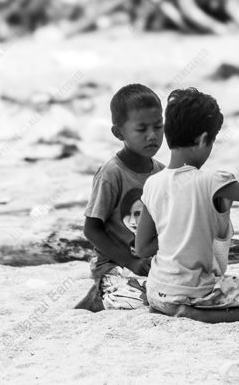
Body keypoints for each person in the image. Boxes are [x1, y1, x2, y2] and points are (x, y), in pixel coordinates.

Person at [135, 88, 239, 323]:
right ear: (202, 140)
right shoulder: (213, 181)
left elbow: (142, 249)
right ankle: (198, 314)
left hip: (157, 291)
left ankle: (178, 308)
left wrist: (177, 231)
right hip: (196, 292)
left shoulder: (152, 184)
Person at [75, 84, 165, 311]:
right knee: (140, 302)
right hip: (114, 264)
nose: (152, 136)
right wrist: (131, 262)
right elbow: (91, 229)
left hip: (150, 263)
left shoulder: (162, 173)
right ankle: (99, 295)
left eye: (158, 126)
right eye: (141, 129)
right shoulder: (111, 174)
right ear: (119, 133)